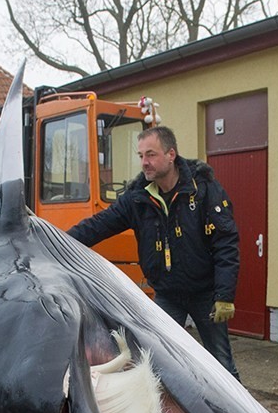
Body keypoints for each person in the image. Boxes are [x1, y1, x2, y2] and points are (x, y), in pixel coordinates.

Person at [68, 126, 241, 378]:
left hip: (206, 294)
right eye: (141, 156)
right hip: (167, 295)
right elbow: (99, 225)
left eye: (151, 154)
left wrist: (224, 295)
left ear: (171, 154)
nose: (144, 163)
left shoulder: (203, 189)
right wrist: (59, 239)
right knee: (157, 363)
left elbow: (225, 242)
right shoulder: (138, 198)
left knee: (222, 364)